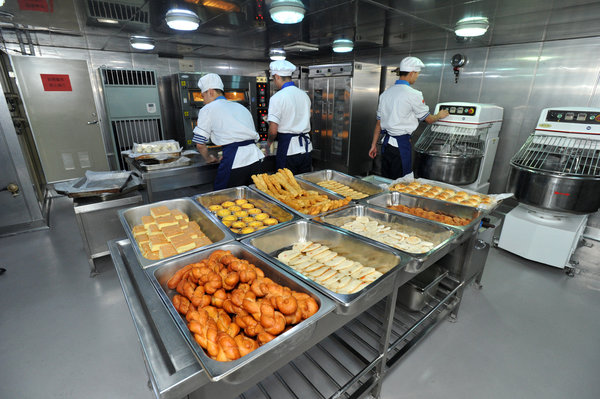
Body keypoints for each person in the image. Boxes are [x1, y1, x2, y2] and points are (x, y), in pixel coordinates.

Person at [368, 56, 449, 179]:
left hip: (385, 146)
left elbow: (378, 123)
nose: (416, 77)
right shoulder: (414, 94)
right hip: (401, 146)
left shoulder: (385, 94)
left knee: (386, 179)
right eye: (417, 74)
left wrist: (373, 145)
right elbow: (428, 119)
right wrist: (439, 115)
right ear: (412, 73)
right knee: (401, 181)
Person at [192, 73, 264, 190]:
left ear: (210, 92)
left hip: (235, 162)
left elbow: (200, 144)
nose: (203, 101)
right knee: (253, 197)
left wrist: (209, 158)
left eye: (203, 96)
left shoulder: (207, 109)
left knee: (225, 198)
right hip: (255, 159)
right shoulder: (241, 107)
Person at [267, 60, 312, 174]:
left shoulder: (277, 98)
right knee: (303, 183)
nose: (274, 81)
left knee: (286, 185)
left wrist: (268, 143)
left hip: (288, 149)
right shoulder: (304, 95)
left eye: (273, 79)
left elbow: (273, 130)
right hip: (306, 149)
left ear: (277, 76)